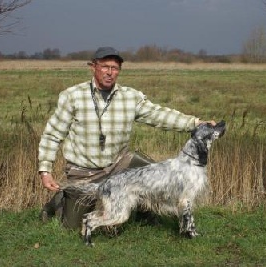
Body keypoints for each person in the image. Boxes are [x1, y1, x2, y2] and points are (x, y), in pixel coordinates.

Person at [38, 46, 214, 228]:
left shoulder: (130, 97)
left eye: (114, 68)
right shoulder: (72, 96)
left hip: (118, 165)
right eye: (105, 67)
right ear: (93, 67)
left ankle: (146, 216)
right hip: (84, 171)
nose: (110, 73)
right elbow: (52, 134)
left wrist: (196, 123)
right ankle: (58, 201)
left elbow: (160, 115)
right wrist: (45, 170)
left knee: (154, 173)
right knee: (71, 227)